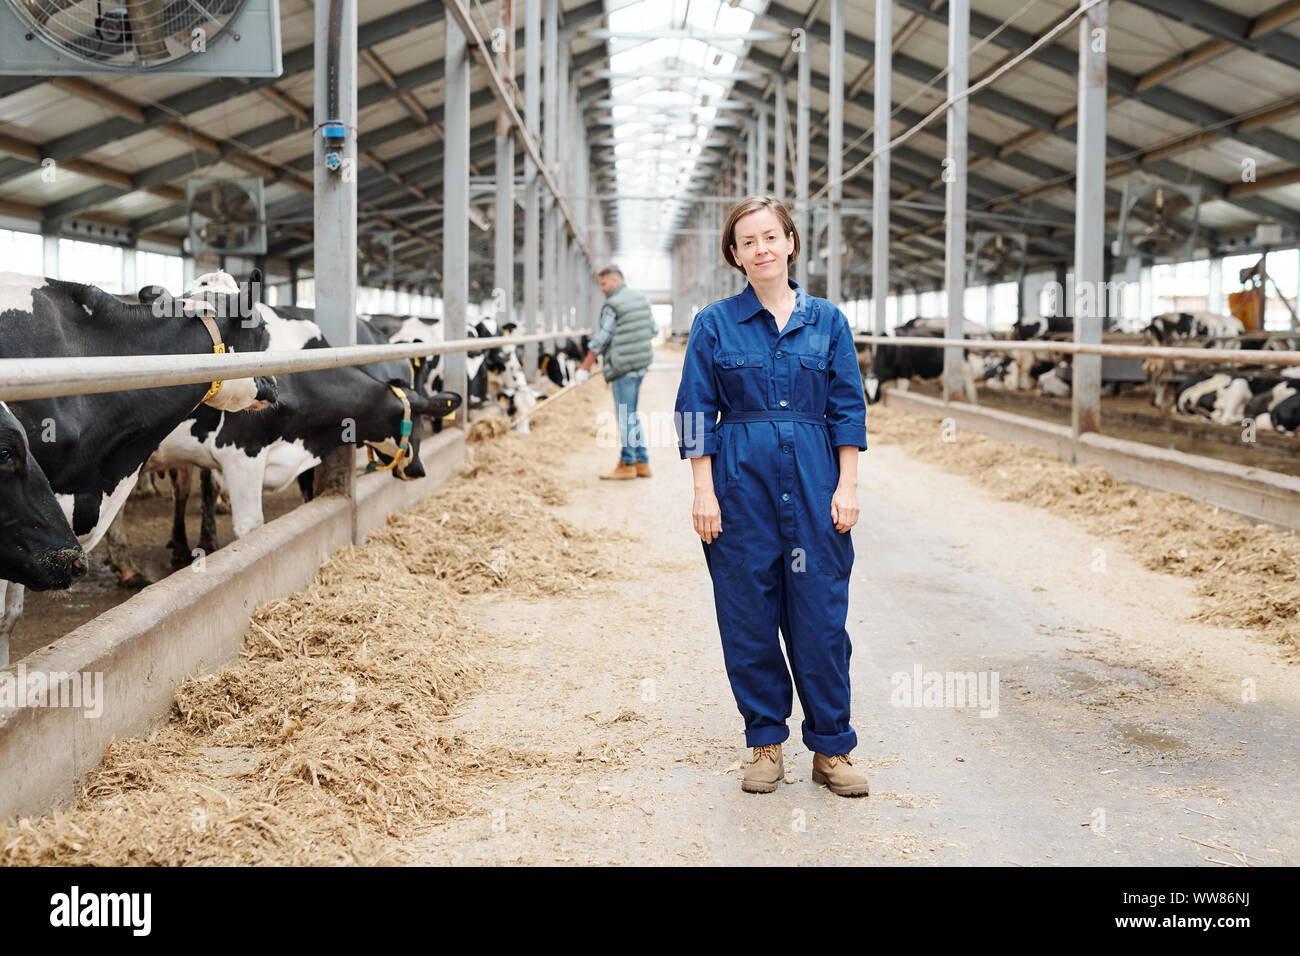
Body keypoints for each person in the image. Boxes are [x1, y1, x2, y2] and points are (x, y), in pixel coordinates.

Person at [673, 195, 870, 797]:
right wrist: (703, 492)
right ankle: (764, 743)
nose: (761, 249)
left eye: (770, 237)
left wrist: (848, 485)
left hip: (814, 488)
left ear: (790, 242)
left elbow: (847, 409)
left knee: (820, 619)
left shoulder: (828, 321)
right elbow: (692, 413)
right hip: (739, 490)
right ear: (734, 255)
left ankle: (831, 749)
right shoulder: (714, 323)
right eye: (747, 242)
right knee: (748, 616)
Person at [577, 266, 657, 479]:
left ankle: (627, 463)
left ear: (615, 280)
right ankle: (642, 462)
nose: (602, 289)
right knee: (631, 414)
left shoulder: (613, 304)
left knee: (625, 416)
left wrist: (584, 368)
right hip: (640, 365)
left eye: (604, 284)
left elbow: (602, 339)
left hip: (623, 367)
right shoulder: (641, 299)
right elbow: (654, 330)